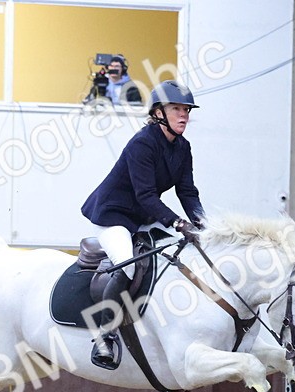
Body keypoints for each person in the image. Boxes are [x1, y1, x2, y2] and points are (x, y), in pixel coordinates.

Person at [80, 79, 205, 367]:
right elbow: (146, 196)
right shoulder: (142, 144)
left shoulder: (183, 148)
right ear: (158, 112)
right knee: (128, 263)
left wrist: (202, 224)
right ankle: (105, 336)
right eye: (176, 109)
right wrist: (177, 223)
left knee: (179, 254)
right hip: (114, 215)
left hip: (143, 217)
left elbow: (187, 191)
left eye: (187, 109)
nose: (184, 115)